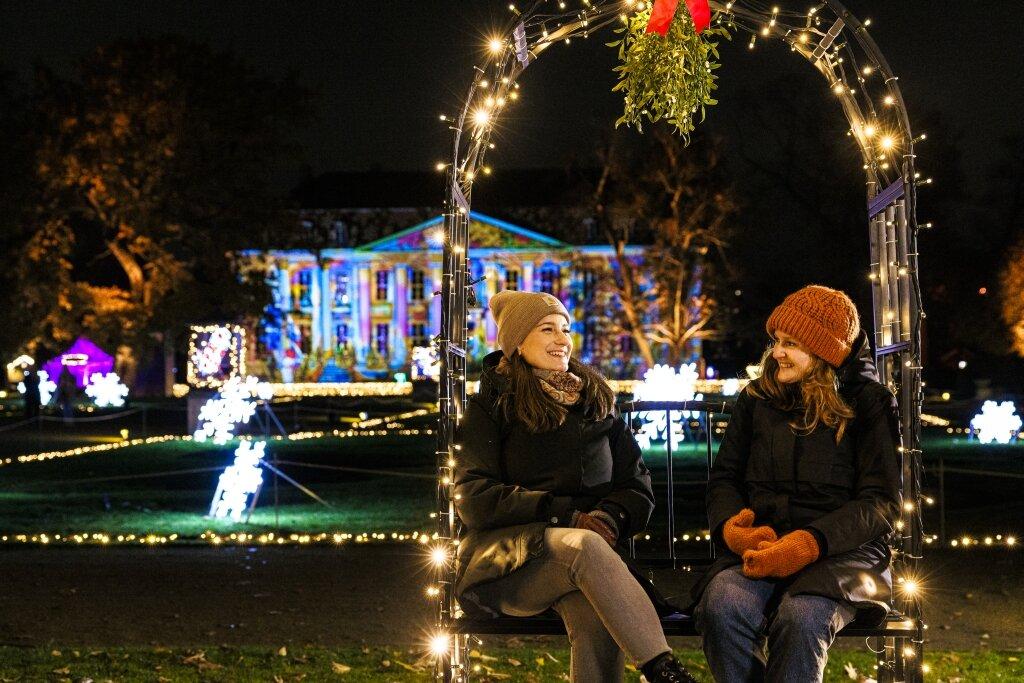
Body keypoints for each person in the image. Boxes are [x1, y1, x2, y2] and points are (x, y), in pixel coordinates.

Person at [454, 290, 698, 683]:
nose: (562, 339)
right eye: (547, 329)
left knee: (594, 614)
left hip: (587, 565)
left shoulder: (595, 401)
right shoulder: (492, 406)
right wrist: (565, 515)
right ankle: (664, 671)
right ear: (517, 342)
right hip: (507, 563)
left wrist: (608, 516)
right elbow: (474, 498)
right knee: (584, 544)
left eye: (565, 329)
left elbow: (636, 486)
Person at [691, 285, 902, 682]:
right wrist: (733, 530)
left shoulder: (868, 402)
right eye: (777, 341)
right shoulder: (757, 398)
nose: (777, 352)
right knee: (721, 606)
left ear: (825, 351)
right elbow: (725, 479)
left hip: (841, 555)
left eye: (791, 343)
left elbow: (881, 502)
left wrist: (810, 542)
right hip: (764, 546)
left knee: (802, 618)